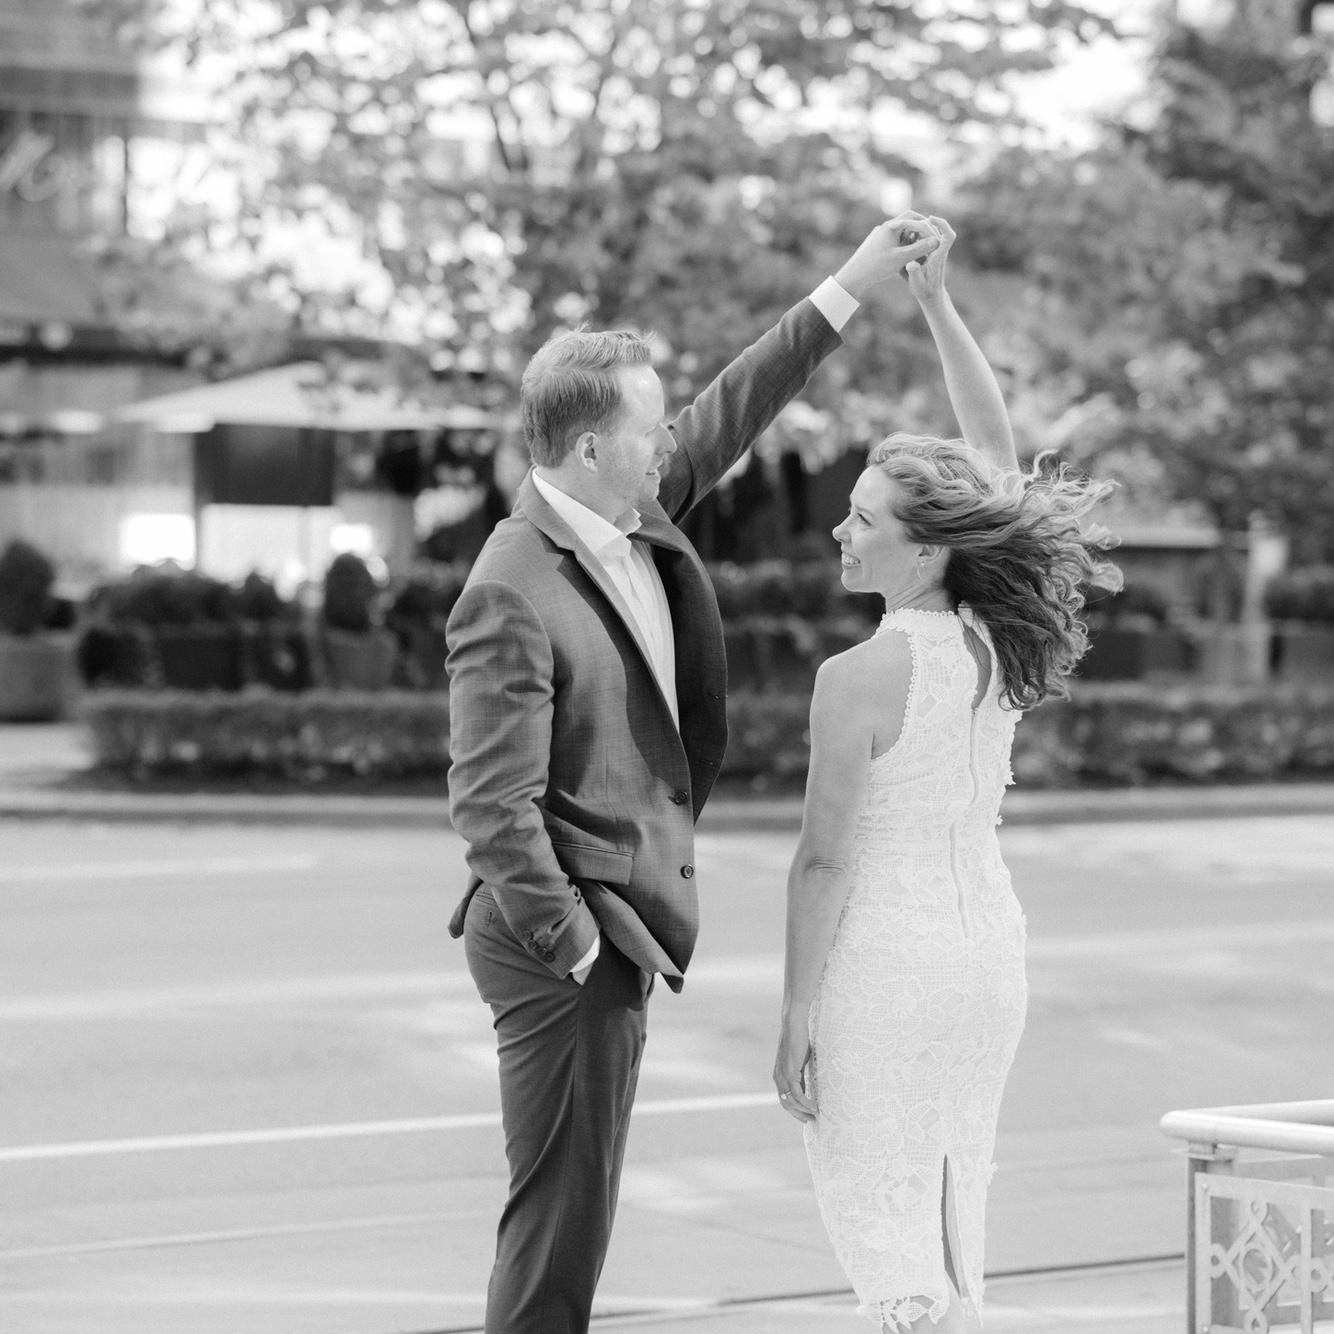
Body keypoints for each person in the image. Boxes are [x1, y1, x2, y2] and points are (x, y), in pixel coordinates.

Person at [445, 216, 944, 1334]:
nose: (668, 440)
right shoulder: (509, 585)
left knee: (574, 1212)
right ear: (589, 449)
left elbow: (737, 400)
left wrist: (851, 282)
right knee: (559, 1221)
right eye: (647, 426)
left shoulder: (636, 505)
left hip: (613, 921)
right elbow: (489, 806)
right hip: (563, 937)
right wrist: (577, 943)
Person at [773, 215, 1118, 1333]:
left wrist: (794, 1011)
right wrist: (936, 305)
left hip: (887, 972)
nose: (839, 530)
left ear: (924, 549)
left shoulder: (854, 678)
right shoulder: (995, 644)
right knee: (950, 1213)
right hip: (986, 964)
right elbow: (996, 453)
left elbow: (824, 862)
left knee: (888, 1241)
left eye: (861, 519)